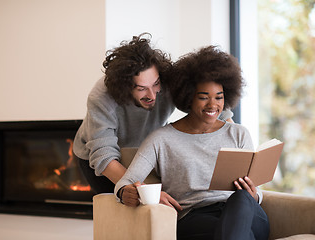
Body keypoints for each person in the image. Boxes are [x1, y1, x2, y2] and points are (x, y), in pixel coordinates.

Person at [115, 46, 270, 240]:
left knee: (241, 200)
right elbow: (124, 183)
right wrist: (127, 193)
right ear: (188, 97)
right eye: (203, 97)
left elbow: (256, 194)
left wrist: (253, 194)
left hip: (247, 213)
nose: (213, 105)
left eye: (219, 97)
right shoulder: (161, 139)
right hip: (196, 218)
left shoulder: (238, 133)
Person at [73, 33, 234, 194]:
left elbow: (211, 107)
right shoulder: (101, 97)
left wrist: (237, 148)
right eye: (141, 89)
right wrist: (146, 192)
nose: (152, 95)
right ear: (125, 87)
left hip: (144, 151)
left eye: (156, 84)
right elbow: (103, 155)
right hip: (103, 160)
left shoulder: (169, 81)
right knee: (125, 204)